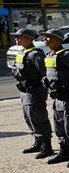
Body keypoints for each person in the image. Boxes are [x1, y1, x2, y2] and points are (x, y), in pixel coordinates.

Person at [41, 28, 69, 165]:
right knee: (59, 125)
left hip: (68, 97)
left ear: (57, 40)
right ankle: (64, 150)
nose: (45, 40)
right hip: (57, 97)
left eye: (49, 37)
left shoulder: (66, 55)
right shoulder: (49, 55)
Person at [12, 28, 53, 158]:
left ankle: (47, 145)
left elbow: (44, 74)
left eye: (20, 37)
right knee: (29, 116)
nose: (17, 39)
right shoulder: (22, 52)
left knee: (38, 117)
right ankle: (38, 141)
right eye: (17, 37)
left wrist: (37, 87)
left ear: (29, 39)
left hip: (34, 90)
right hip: (25, 89)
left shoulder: (35, 54)